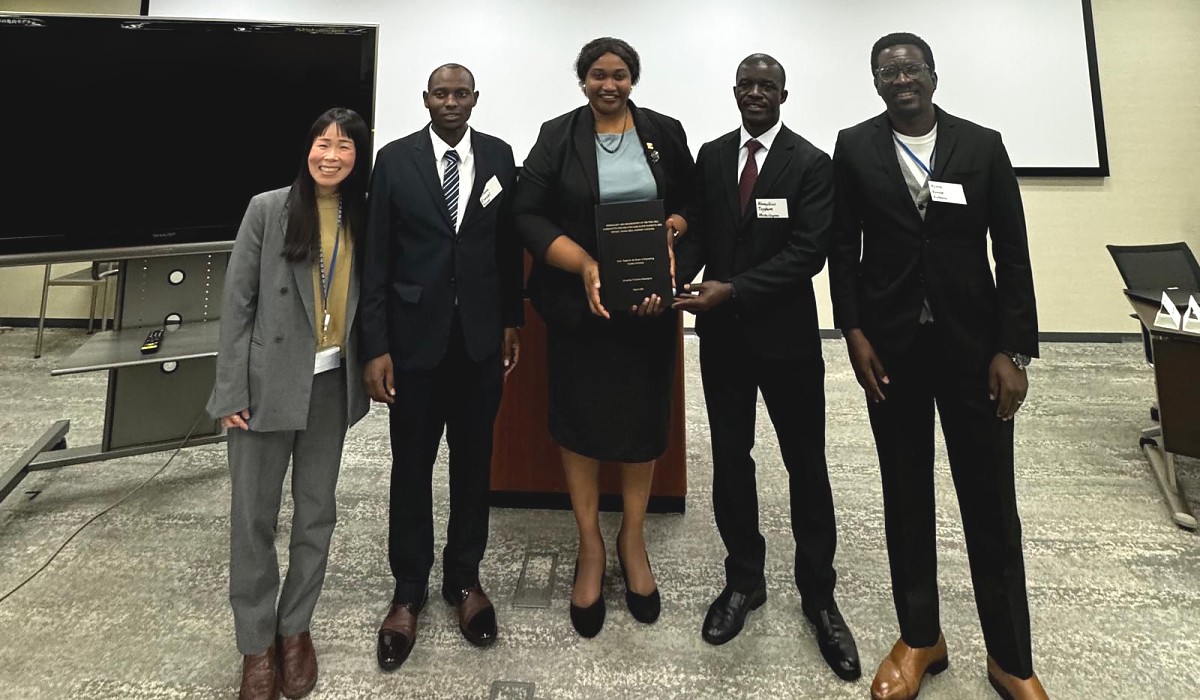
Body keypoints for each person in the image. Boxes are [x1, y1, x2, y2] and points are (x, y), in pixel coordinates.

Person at [828, 32, 1047, 700]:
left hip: (973, 352)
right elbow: (842, 246)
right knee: (905, 494)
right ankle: (921, 637)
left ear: (932, 75)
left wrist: (1012, 350)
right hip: (890, 352)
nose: (900, 78)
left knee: (991, 505)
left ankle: (1011, 658)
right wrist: (852, 330)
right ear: (875, 83)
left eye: (911, 67)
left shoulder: (981, 145)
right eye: (886, 70)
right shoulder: (856, 145)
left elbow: (1012, 251)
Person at [672, 54, 860, 681]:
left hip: (787, 341)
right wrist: (675, 267)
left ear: (784, 94)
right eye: (746, 85)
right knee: (731, 458)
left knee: (805, 463)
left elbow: (810, 253)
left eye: (766, 86)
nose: (755, 93)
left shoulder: (810, 163)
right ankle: (744, 581)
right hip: (722, 339)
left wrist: (734, 288)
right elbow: (700, 232)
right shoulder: (713, 153)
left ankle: (819, 596)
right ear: (734, 92)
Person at [512, 36, 693, 638]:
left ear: (632, 80)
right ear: (582, 80)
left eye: (619, 75)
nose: (608, 84)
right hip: (580, 312)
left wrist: (675, 229)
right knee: (582, 425)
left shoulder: (663, 133)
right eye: (597, 75)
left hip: (646, 313)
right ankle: (590, 544)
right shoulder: (557, 136)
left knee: (643, 428)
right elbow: (528, 215)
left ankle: (632, 539)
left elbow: (689, 206)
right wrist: (586, 264)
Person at [359, 63, 523, 671]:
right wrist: (375, 347)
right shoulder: (395, 160)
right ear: (425, 99)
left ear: (475, 99)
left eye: (461, 93)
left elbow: (506, 248)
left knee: (474, 463)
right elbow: (377, 257)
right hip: (413, 345)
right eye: (440, 93)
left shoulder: (501, 155)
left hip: (480, 341)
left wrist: (511, 319)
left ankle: (464, 580)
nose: (450, 101)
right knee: (412, 466)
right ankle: (408, 591)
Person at [208, 107, 371, 700]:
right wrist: (229, 390)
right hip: (264, 385)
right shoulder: (268, 208)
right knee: (252, 519)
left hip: (330, 386)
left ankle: (295, 629)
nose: (331, 156)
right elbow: (237, 306)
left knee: (315, 513)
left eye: (345, 147)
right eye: (322, 144)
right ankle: (255, 645)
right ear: (307, 149)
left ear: (359, 155)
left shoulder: (365, 213)